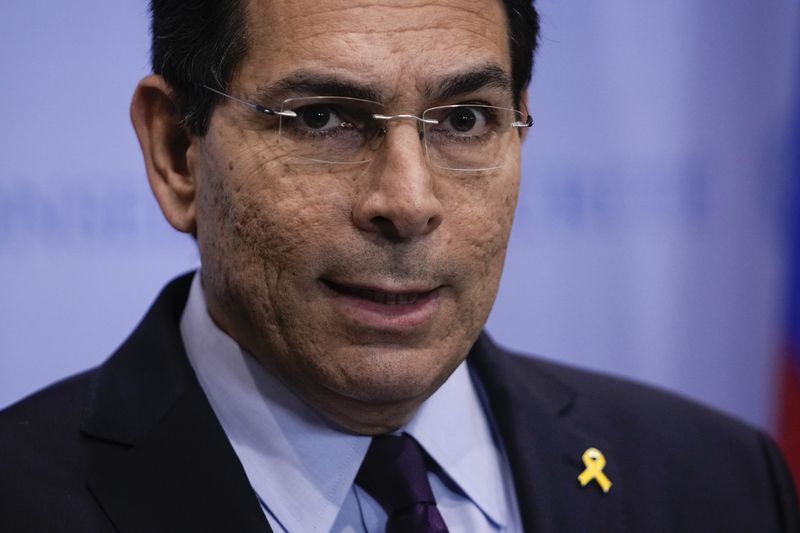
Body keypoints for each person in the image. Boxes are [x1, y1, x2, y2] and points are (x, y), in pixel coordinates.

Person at [1, 0, 797, 531]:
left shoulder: (718, 483)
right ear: (178, 152)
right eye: (320, 118)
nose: (408, 200)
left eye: (462, 119)